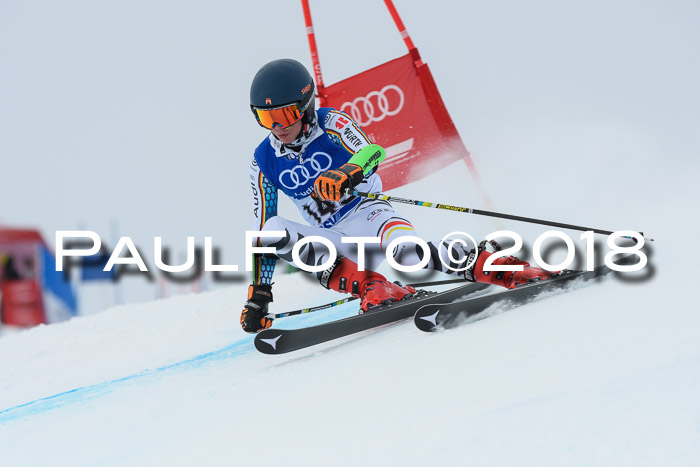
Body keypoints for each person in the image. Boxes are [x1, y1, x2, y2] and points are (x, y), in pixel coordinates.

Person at [240, 59, 553, 333]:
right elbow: (263, 228)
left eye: (285, 114)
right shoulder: (263, 160)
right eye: (266, 118)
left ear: (306, 105)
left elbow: (372, 152)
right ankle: (374, 286)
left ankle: (499, 267)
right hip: (334, 240)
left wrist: (348, 172)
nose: (277, 127)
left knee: (406, 252)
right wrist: (259, 295)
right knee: (270, 231)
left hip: (369, 214)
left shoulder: (331, 122)